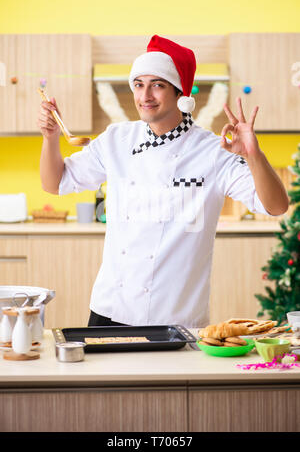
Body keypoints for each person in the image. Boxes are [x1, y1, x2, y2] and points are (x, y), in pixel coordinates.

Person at [38, 35, 289, 328]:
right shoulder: (116, 140)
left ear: (180, 93)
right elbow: (55, 183)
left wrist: (253, 155)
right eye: (139, 84)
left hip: (175, 317)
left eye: (157, 84)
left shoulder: (212, 151)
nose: (145, 96)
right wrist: (50, 138)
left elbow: (276, 206)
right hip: (109, 308)